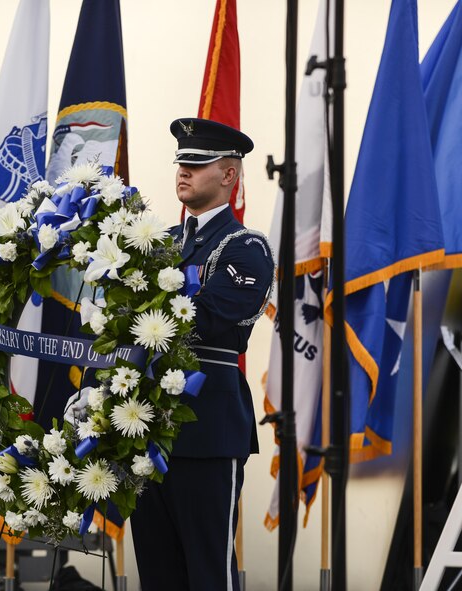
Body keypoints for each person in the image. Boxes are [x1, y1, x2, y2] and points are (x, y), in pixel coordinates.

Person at [130, 118, 275, 590]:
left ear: (230, 175)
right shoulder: (161, 243)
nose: (184, 172)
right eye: (181, 163)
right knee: (158, 574)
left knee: (208, 573)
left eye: (197, 163)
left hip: (208, 433)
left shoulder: (245, 246)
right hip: (149, 430)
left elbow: (208, 316)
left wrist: (136, 301)